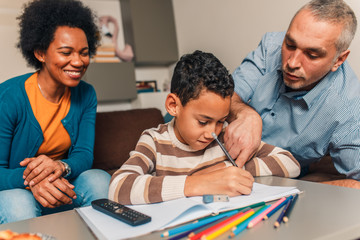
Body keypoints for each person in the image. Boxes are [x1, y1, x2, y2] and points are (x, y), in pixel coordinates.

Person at [108, 50, 300, 205]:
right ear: (173, 106)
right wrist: (197, 183)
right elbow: (118, 187)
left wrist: (228, 171)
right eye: (203, 121)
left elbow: (290, 163)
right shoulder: (155, 141)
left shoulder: (226, 134)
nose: (212, 133)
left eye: (220, 120)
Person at [226, 0, 360, 187]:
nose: (292, 62)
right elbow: (225, 95)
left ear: (339, 60)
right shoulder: (271, 46)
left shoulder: (349, 113)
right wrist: (246, 114)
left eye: (312, 54)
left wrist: (302, 189)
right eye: (290, 44)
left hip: (273, 181)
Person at [0, 0, 111, 224]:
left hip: (62, 185)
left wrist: (61, 166)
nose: (78, 62)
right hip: (18, 191)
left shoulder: (86, 94)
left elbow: (83, 155)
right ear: (41, 53)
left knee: (100, 179)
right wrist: (33, 180)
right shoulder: (10, 96)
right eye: (66, 52)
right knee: (18, 202)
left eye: (84, 52)